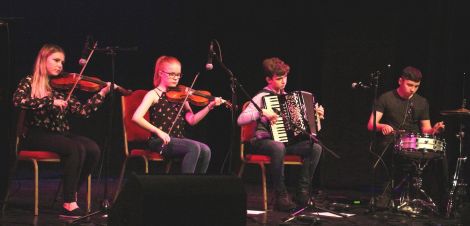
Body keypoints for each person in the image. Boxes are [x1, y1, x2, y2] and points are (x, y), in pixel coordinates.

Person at [12, 44, 115, 217]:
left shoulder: (61, 87)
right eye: (56, 60)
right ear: (43, 60)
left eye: (62, 62)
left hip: (59, 135)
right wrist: (49, 102)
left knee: (92, 149)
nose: (60, 65)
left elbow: (83, 111)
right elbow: (18, 101)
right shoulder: (29, 81)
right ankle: (68, 203)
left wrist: (102, 93)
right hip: (36, 133)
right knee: (74, 148)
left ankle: (70, 191)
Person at [237, 57, 324, 211]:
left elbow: (305, 127)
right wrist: (261, 111)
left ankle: (302, 192)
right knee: (277, 147)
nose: (283, 81)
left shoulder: (289, 99)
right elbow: (241, 120)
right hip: (262, 141)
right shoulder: (261, 97)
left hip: (285, 143)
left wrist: (316, 116)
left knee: (315, 147)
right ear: (268, 79)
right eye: (279, 78)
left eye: (285, 77)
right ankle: (281, 195)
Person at [366, 66, 447, 211]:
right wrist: (382, 126)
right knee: (386, 145)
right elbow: (371, 124)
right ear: (400, 81)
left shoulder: (422, 102)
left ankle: (442, 198)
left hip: (413, 143)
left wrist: (434, 130)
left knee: (441, 155)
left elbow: (426, 130)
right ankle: (385, 195)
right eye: (409, 85)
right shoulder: (386, 98)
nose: (413, 89)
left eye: (416, 86)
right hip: (392, 140)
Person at [132, 55, 224, 174]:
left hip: (178, 139)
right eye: (172, 74)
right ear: (160, 73)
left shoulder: (182, 96)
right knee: (194, 147)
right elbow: (136, 117)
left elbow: (192, 120)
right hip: (159, 141)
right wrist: (159, 132)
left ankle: (199, 185)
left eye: (178, 75)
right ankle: (185, 186)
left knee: (206, 150)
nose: (176, 78)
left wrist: (209, 107)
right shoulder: (153, 94)